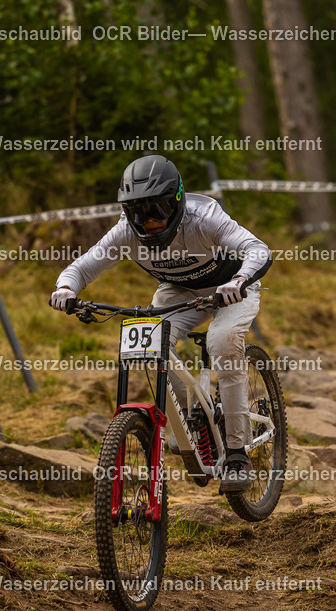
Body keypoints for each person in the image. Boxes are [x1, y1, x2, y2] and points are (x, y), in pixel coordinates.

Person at [50, 155, 271, 492]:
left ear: (178, 200)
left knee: (223, 341)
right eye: (138, 212)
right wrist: (66, 289)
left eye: (158, 209)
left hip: (231, 290)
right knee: (149, 348)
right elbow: (82, 267)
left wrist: (239, 280)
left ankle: (238, 454)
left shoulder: (205, 217)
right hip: (178, 291)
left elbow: (257, 249)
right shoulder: (125, 232)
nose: (150, 221)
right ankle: (196, 420)